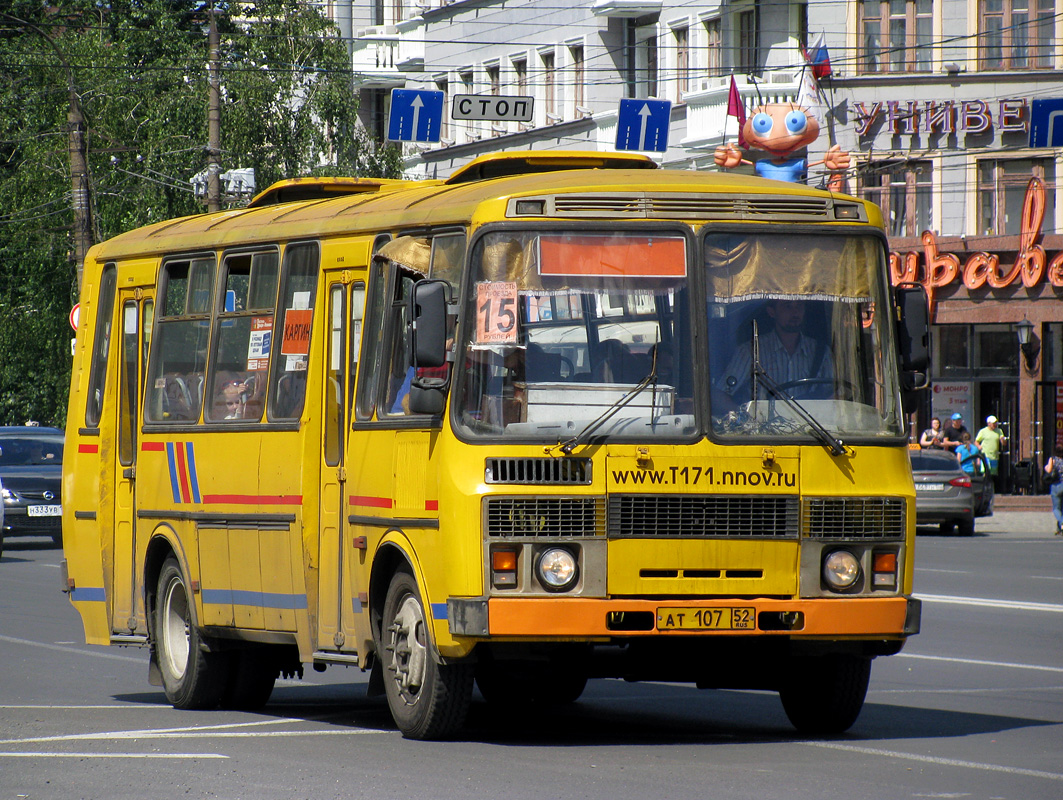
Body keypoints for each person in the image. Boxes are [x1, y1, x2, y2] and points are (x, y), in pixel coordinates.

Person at [716, 299, 832, 406]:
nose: (795, 312)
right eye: (788, 306)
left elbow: (837, 394)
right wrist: (744, 421)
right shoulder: (751, 351)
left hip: (813, 426)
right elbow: (721, 395)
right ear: (772, 312)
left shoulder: (821, 351)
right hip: (765, 426)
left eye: (799, 306)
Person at [975, 415, 1007, 488]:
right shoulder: (983, 431)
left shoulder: (999, 431)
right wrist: (979, 447)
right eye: (993, 423)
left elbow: (1003, 442)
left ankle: (991, 487)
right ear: (988, 423)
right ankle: (984, 487)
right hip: (986, 455)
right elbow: (976, 441)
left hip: (994, 456)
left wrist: (1003, 440)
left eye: (995, 423)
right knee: (985, 472)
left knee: (993, 473)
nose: (995, 424)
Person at [1045, 444, 1063, 535]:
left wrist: (1045, 467)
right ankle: (1059, 528)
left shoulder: (1053, 459)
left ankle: (1062, 523)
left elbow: (1049, 470)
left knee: (1056, 508)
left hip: (1056, 485)